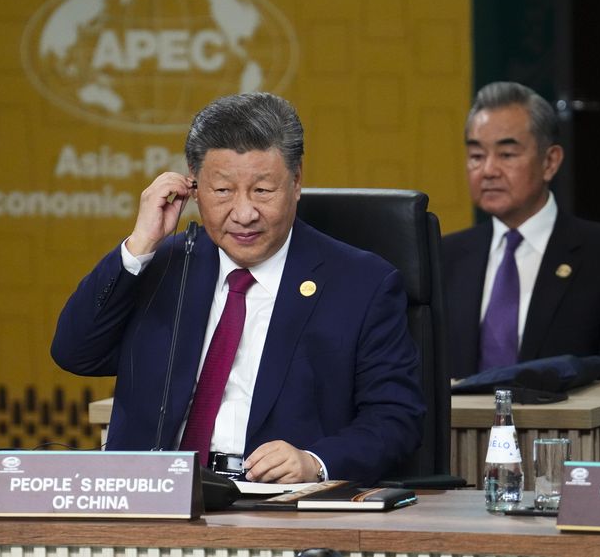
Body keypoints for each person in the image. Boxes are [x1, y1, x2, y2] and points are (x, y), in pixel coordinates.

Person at [51, 92, 424, 484]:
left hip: (279, 511)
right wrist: (140, 244)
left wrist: (315, 461)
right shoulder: (159, 266)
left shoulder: (361, 284)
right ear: (192, 187)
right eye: (223, 191)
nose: (244, 214)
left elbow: (395, 418)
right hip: (153, 501)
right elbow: (76, 353)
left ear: (296, 182)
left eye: (263, 191)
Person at [443, 81, 600, 380]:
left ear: (550, 161)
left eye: (507, 155)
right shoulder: (444, 257)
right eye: (477, 156)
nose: (488, 170)